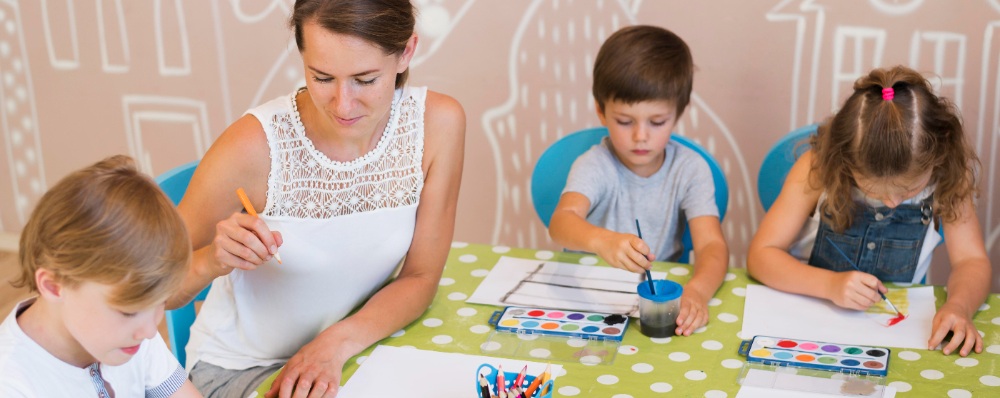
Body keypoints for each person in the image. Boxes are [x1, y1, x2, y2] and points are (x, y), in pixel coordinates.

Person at [169, 0, 465, 396]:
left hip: (352, 347)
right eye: (322, 77)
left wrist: (333, 346)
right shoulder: (253, 145)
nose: (343, 105)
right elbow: (152, 290)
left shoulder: (438, 125)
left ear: (406, 52)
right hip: (241, 369)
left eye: (365, 79)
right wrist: (212, 259)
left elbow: (421, 276)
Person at [747, 65, 992, 357]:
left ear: (937, 157)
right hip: (808, 319)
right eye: (875, 191)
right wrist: (830, 285)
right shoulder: (819, 167)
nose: (891, 203)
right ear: (844, 159)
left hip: (895, 339)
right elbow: (761, 255)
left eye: (908, 191)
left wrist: (959, 305)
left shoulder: (949, 176)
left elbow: (972, 261)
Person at [548, 25, 729, 337]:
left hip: (655, 306)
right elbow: (561, 223)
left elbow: (711, 244)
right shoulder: (595, 164)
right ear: (601, 111)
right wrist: (602, 241)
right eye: (624, 121)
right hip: (590, 302)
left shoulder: (690, 169)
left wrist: (697, 292)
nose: (640, 136)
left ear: (678, 113)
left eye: (657, 122)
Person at [0, 155, 201, 397]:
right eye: (128, 311)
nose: (150, 330)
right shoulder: (12, 385)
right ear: (54, 286)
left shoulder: (134, 331)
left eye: (161, 303)